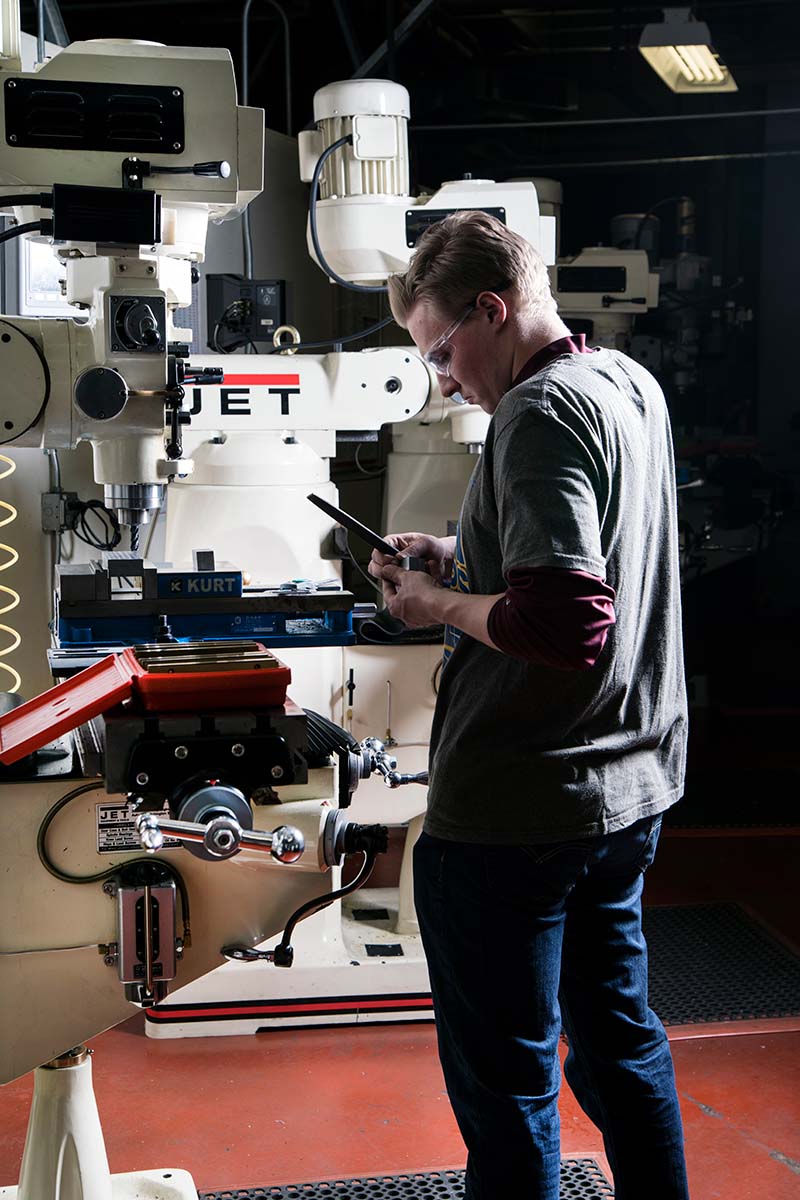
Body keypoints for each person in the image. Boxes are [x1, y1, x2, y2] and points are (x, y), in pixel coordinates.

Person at [369, 210, 690, 1200]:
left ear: (491, 308)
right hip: (625, 789)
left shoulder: (535, 412)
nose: (444, 380)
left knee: (506, 1084)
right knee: (617, 1047)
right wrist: (452, 557)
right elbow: (583, 560)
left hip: (518, 806)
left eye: (440, 353)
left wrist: (432, 604)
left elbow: (564, 624)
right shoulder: (624, 383)